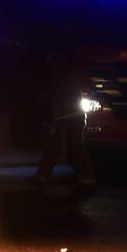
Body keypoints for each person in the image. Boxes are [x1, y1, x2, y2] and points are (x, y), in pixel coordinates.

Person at [26, 52, 96, 191]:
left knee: (55, 147)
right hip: (74, 118)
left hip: (63, 119)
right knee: (75, 148)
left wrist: (47, 115)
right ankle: (87, 178)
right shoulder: (68, 79)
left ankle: (42, 177)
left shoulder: (60, 81)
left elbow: (51, 100)